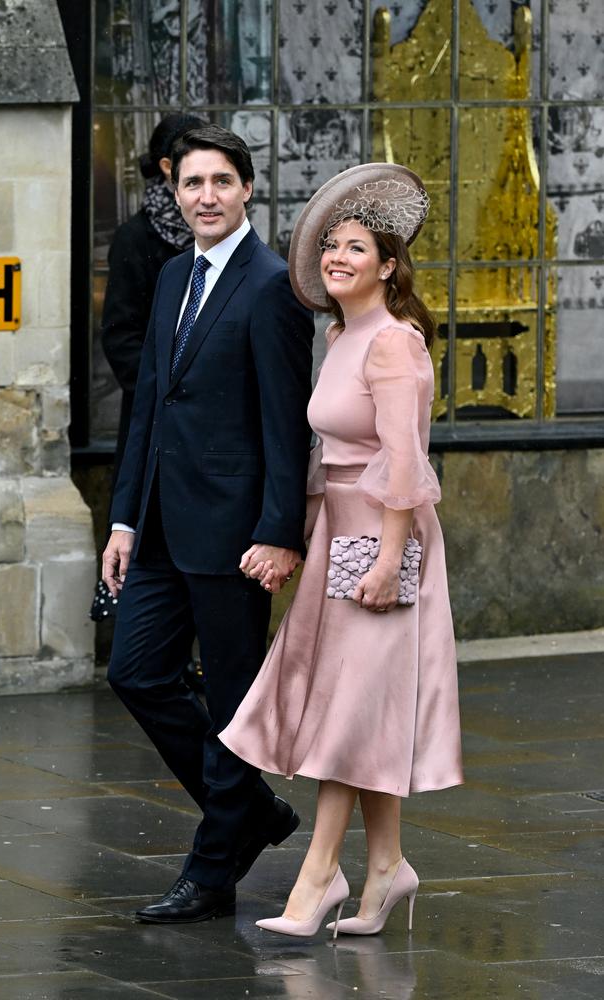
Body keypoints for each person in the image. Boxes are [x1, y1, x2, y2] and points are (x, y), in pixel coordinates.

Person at [220, 163, 463, 938]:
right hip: (340, 538)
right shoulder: (342, 335)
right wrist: (304, 542)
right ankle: (387, 867)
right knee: (361, 712)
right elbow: (329, 457)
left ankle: (319, 878)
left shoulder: (395, 344)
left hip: (383, 541)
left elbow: (403, 462)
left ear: (388, 265)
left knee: (347, 714)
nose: (337, 256)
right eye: (331, 245)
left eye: (355, 247)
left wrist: (390, 561)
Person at [102, 124, 315, 924]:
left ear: (248, 190)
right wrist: (123, 518)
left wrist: (279, 530)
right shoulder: (169, 279)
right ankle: (252, 813)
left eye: (222, 182)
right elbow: (148, 407)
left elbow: (285, 425)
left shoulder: (270, 285)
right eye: (194, 184)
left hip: (235, 534)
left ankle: (214, 867)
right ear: (175, 191)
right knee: (135, 672)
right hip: (157, 524)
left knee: (231, 702)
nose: (207, 197)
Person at [90, 113, 203, 639]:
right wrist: (169, 391)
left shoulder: (222, 238)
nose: (206, 191)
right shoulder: (137, 239)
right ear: (166, 168)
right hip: (155, 417)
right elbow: (120, 335)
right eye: (193, 172)